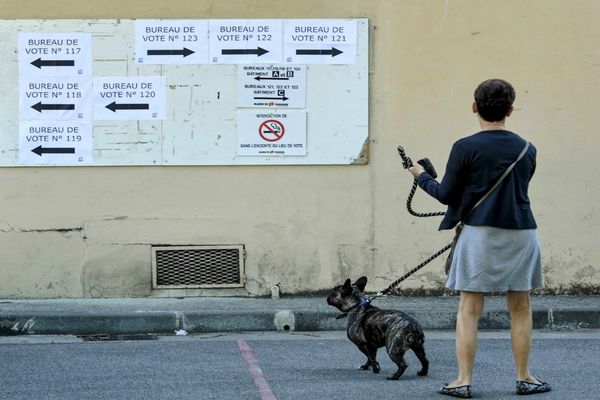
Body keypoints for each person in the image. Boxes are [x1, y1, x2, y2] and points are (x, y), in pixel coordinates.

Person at [408, 79, 551, 398]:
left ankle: (463, 380)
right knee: (521, 307)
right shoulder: (528, 148)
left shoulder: (465, 147)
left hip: (480, 234)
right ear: (510, 110)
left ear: (475, 107)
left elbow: (446, 195)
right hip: (522, 233)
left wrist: (422, 177)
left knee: (470, 307)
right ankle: (525, 377)